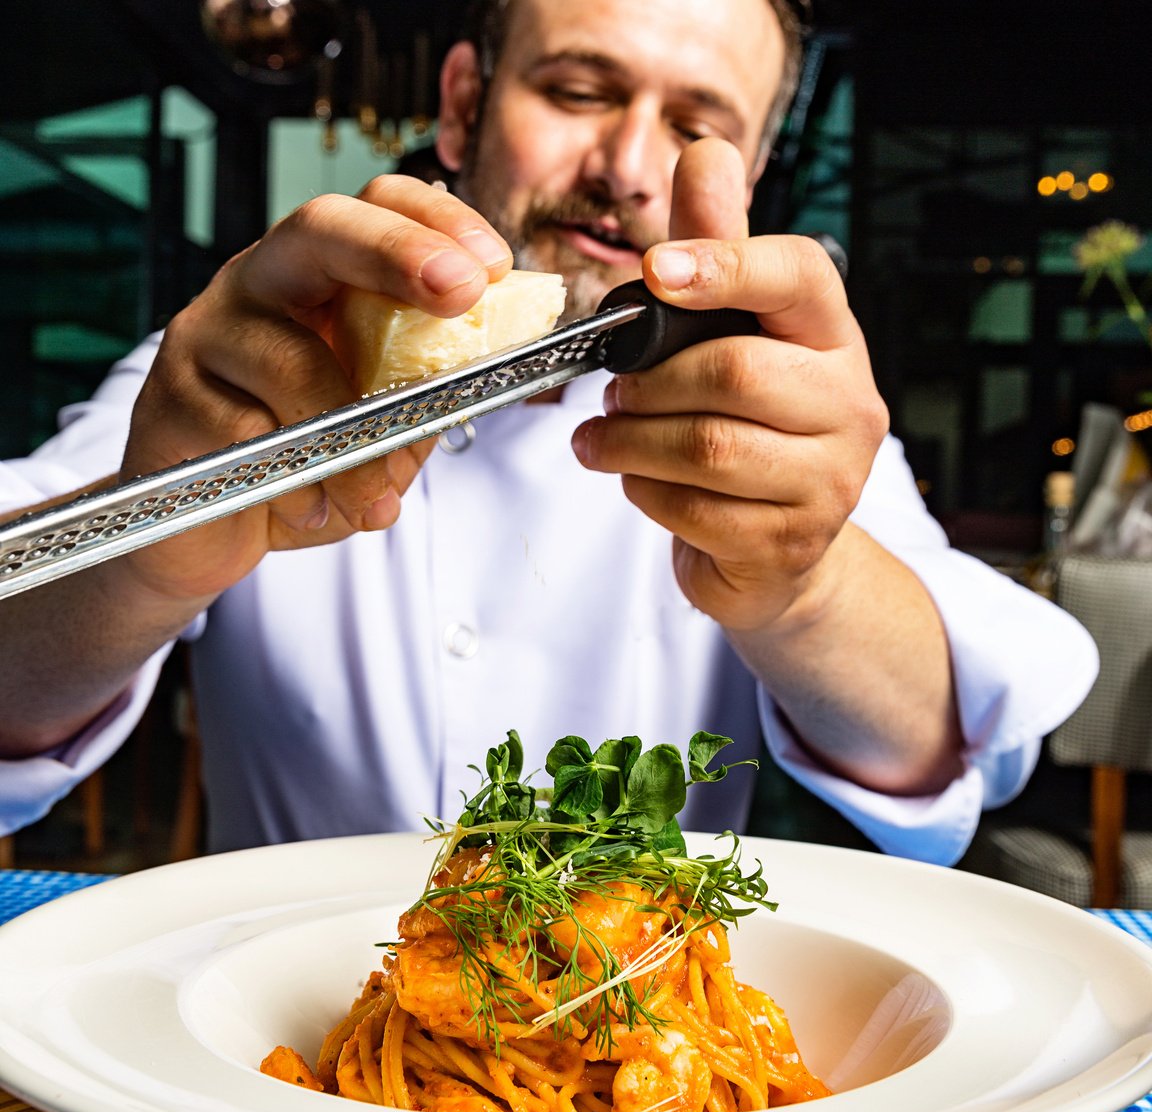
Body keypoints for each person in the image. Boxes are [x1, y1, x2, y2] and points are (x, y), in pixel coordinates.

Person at [0, 0, 1096, 865]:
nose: (625, 166)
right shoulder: (247, 369)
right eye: (578, 90)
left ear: (750, 174)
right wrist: (145, 554)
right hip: (286, 1055)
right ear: (465, 106)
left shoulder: (779, 416)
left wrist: (804, 587)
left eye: (695, 128)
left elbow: (934, 753)